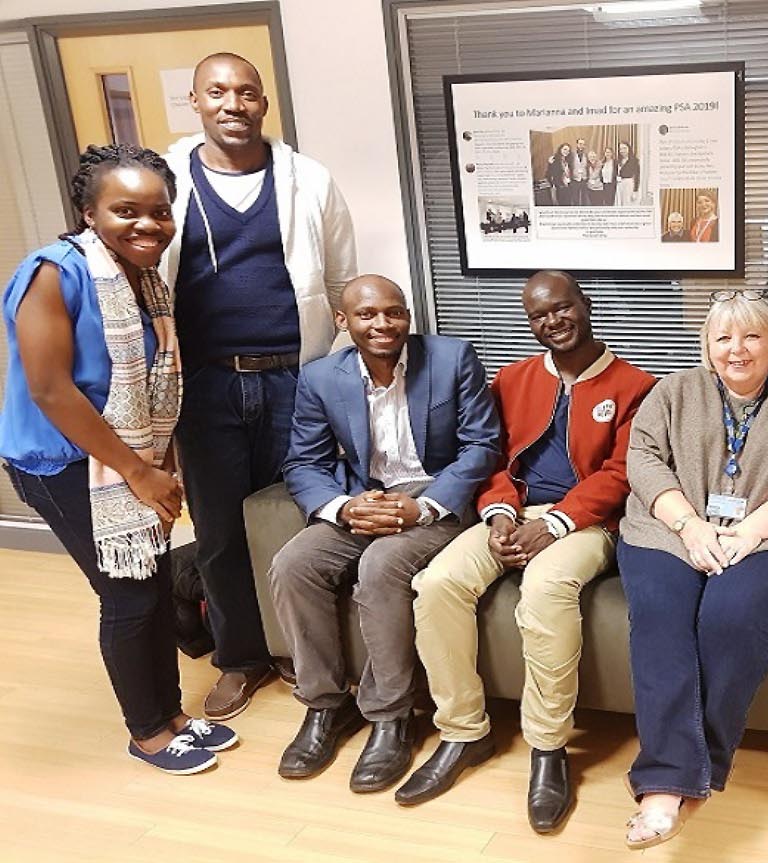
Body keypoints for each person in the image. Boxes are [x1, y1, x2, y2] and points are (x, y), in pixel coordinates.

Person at [1, 144, 237, 774]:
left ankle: (172, 715)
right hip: (61, 462)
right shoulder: (54, 272)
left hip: (130, 458)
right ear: (88, 212)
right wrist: (139, 471)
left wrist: (153, 464)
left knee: (154, 587)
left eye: (159, 212)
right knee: (129, 595)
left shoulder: (145, 280)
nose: (147, 225)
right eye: (125, 210)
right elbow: (52, 389)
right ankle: (148, 733)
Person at [401, 271, 656, 831]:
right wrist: (498, 516)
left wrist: (558, 524)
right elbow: (491, 457)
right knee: (437, 583)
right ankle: (464, 732)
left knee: (544, 590)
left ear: (585, 306)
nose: (553, 322)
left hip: (589, 523)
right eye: (539, 316)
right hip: (513, 515)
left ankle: (548, 748)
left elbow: (621, 474)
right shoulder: (511, 380)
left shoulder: (635, 385)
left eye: (562, 309)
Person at [159, 52, 357, 720]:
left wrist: (343, 383)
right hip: (206, 385)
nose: (232, 104)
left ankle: (304, 650)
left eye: (246, 93)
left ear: (263, 104)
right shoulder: (167, 181)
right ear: (196, 102)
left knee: (298, 522)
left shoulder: (309, 180)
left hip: (294, 381)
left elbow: (341, 287)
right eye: (217, 92)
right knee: (218, 531)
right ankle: (241, 656)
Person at [617, 290, 768, 849]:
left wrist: (748, 532)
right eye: (723, 337)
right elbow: (641, 459)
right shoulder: (673, 391)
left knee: (732, 620)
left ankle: (697, 765)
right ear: (707, 346)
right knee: (662, 619)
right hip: (667, 531)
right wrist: (690, 527)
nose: (736, 350)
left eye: (751, 336)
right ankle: (668, 785)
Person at [269, 275, 500, 792]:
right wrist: (343, 507)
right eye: (367, 315)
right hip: (363, 502)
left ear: (408, 317)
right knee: (293, 564)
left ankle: (391, 716)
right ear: (342, 321)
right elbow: (304, 462)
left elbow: (482, 445)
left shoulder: (452, 358)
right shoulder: (320, 378)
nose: (382, 324)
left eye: (393, 313)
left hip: (435, 502)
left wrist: (424, 507)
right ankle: (325, 705)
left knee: (380, 566)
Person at [614, 141, 641, 206]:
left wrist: (635, 191)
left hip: (628, 185)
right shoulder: (618, 160)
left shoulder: (634, 160)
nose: (622, 150)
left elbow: (637, 176)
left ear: (629, 148)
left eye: (624, 148)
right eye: (620, 149)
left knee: (627, 203)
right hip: (620, 185)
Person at [571, 138, 590, 206]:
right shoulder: (572, 155)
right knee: (575, 198)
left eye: (583, 144)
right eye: (580, 144)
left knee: (584, 198)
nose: (582, 146)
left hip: (584, 179)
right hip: (575, 179)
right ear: (577, 144)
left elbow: (589, 166)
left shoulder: (587, 155)